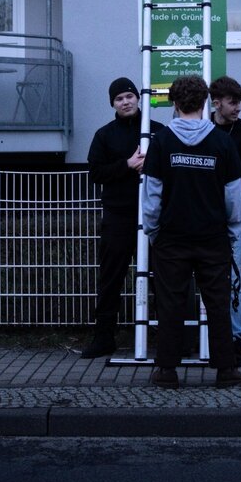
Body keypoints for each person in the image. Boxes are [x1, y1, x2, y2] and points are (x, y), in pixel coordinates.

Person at [142, 74, 241, 388]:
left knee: (171, 303)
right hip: (213, 238)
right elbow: (234, 196)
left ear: (174, 103)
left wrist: (153, 231)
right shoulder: (222, 141)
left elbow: (151, 195)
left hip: (171, 239)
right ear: (205, 103)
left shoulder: (161, 142)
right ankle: (226, 369)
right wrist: (231, 231)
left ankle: (166, 370)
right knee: (217, 303)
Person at [82, 77, 164, 359]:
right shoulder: (105, 135)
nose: (126, 101)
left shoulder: (157, 131)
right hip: (118, 217)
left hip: (154, 217)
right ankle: (104, 338)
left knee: (163, 278)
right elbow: (95, 173)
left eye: (129, 96)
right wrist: (126, 165)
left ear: (138, 99)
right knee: (110, 279)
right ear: (113, 104)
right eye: (119, 99)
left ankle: (171, 337)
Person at [209, 75, 241, 367]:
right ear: (216, 103)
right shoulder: (202, 129)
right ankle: (208, 338)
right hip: (205, 215)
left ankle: (235, 338)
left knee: (233, 278)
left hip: (233, 218)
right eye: (233, 102)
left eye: (239, 102)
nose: (238, 108)